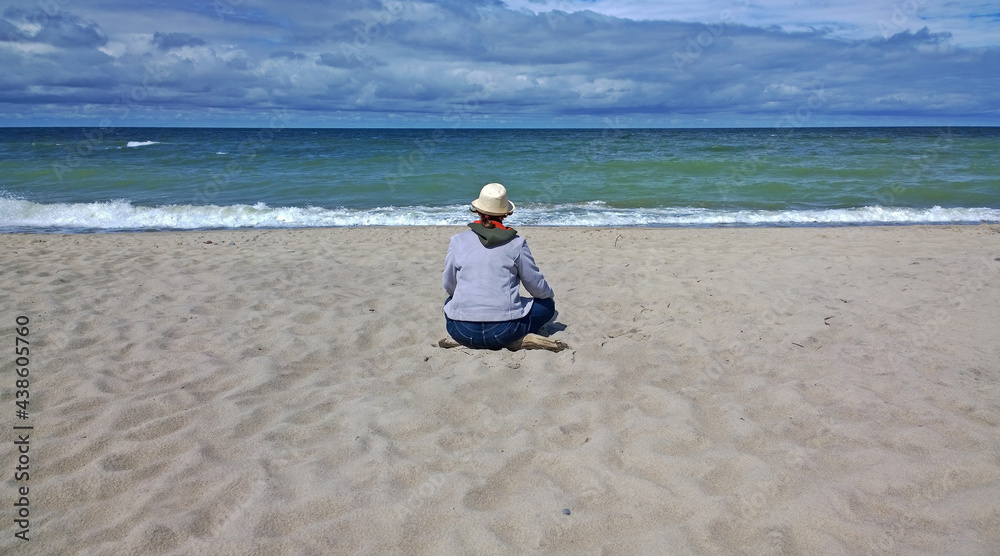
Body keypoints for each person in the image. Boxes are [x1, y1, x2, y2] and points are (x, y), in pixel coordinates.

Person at [442, 183, 563, 350]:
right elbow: (535, 285)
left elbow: (449, 285)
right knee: (547, 306)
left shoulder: (457, 240)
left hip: (462, 331)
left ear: (477, 210)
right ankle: (519, 337)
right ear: (505, 213)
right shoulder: (516, 243)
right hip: (503, 331)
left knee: (449, 301)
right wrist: (549, 295)